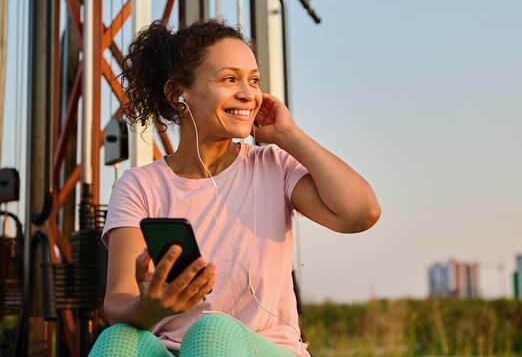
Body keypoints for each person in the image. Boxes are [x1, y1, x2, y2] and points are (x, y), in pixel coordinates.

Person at [89, 20, 381, 356]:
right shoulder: (140, 185)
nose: (248, 93)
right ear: (177, 93)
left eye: (253, 80)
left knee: (212, 333)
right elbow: (117, 304)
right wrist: (152, 308)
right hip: (173, 350)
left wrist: (290, 136)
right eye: (229, 79)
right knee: (118, 340)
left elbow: (361, 213)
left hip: (264, 349)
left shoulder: (274, 166)